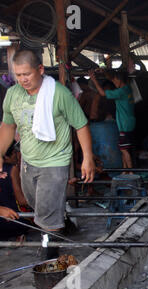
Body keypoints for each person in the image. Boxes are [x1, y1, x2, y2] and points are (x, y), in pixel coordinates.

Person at [0, 49, 95, 259]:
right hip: (28, 161)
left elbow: (81, 125)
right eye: (18, 75)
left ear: (40, 69)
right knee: (36, 205)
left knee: (46, 217)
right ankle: (61, 222)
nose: (22, 79)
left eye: (27, 74)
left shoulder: (59, 94)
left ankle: (50, 263)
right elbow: (8, 125)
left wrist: (87, 158)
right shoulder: (13, 94)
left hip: (55, 161)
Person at [88, 69, 135, 171]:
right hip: (129, 123)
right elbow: (112, 77)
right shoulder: (128, 89)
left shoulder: (121, 92)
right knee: (123, 149)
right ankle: (124, 171)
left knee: (124, 151)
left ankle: (130, 172)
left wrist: (94, 80)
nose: (114, 83)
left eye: (115, 81)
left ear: (119, 79)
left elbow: (103, 93)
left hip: (124, 124)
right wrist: (104, 72)